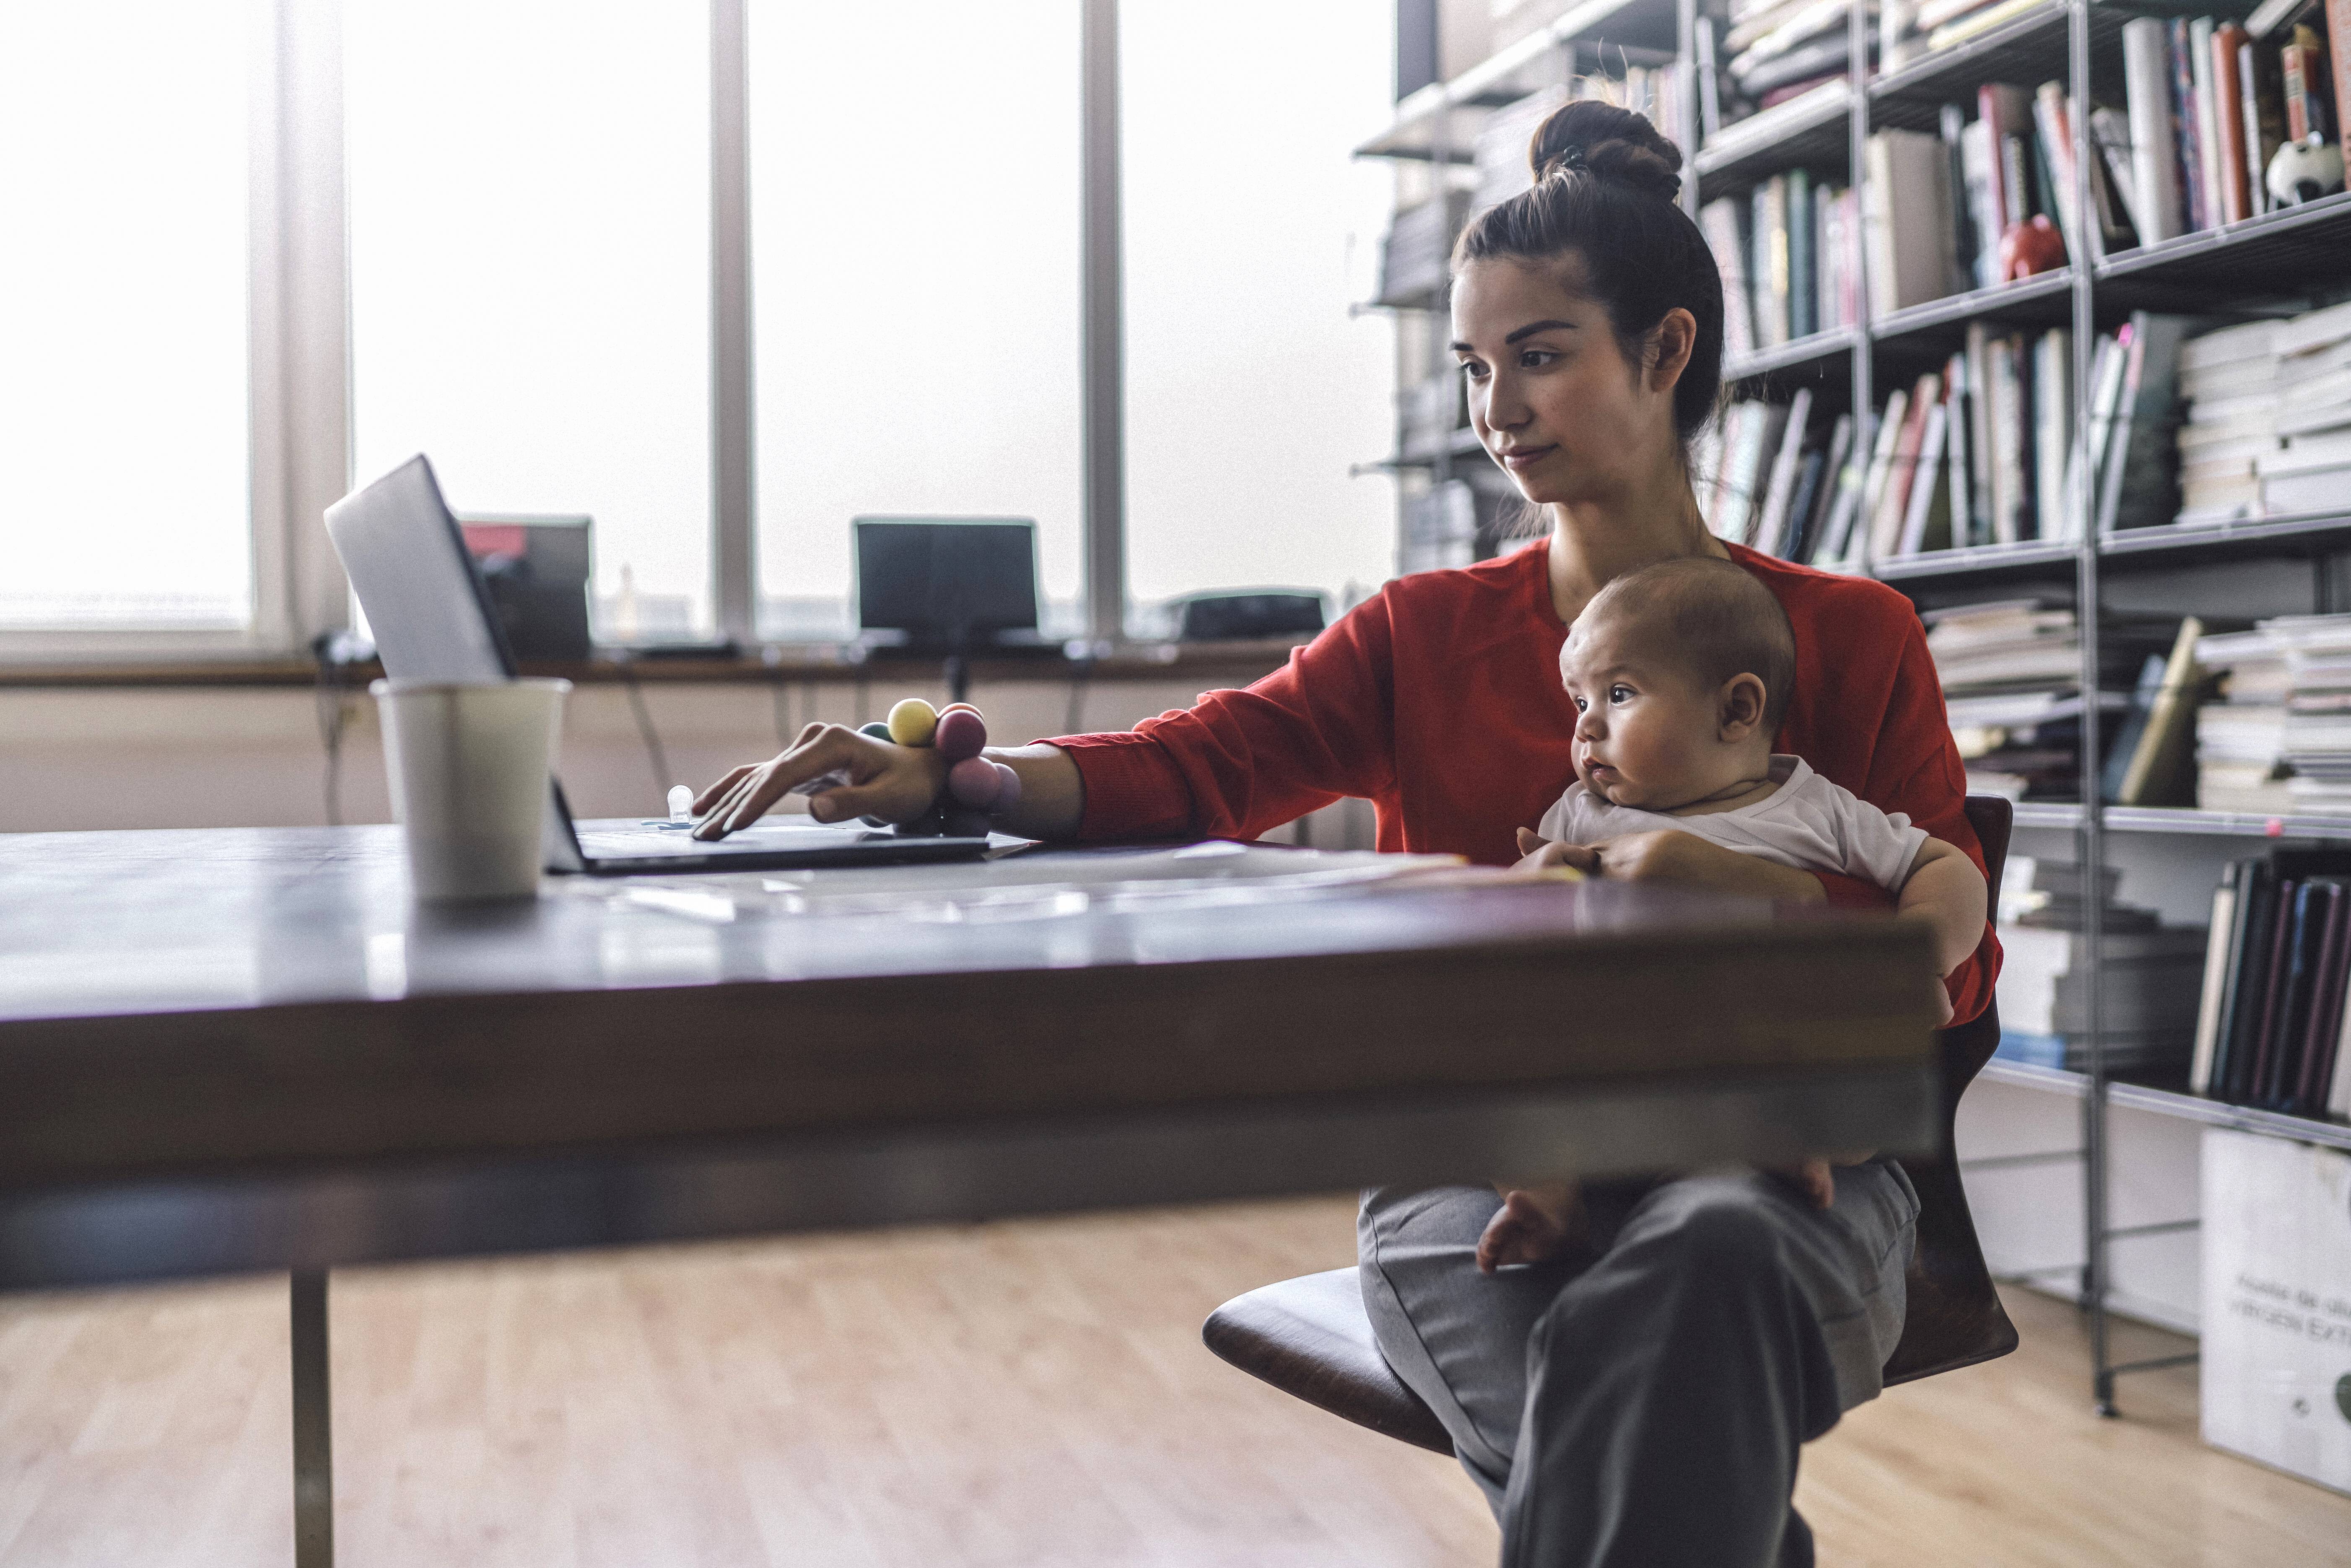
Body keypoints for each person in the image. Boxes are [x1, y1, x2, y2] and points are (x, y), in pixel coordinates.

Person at [692, 98, 1997, 1568]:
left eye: (1538, 355)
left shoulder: (1848, 635)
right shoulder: (1420, 632)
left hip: (1785, 1169)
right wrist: (959, 781)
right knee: (1675, 1436)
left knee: (1706, 1271)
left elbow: (1952, 972)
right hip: (1477, 1164)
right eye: (1472, 368)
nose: (1494, 408)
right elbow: (1205, 762)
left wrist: (1738, 895)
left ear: (1664, 350)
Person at [1480, 555, 1987, 1278]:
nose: (1586, 727)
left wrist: (1917, 957)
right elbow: (1517, 935)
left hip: (1764, 1053)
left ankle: (1766, 1152)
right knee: (1502, 1069)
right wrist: (1530, 889)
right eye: (1578, 702)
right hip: (1615, 1068)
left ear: (1736, 711)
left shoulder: (1814, 810)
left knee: (1851, 1088)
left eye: (1618, 694)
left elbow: (1946, 867)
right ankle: (1545, 1202)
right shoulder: (1582, 814)